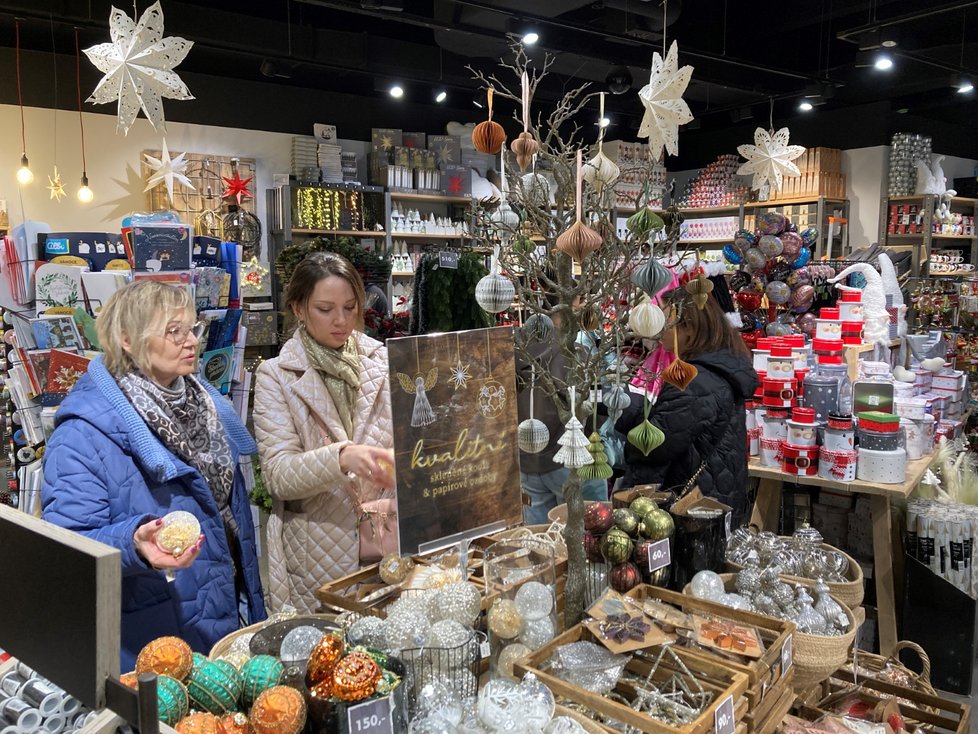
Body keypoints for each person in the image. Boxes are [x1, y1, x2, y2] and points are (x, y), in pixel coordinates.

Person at [41, 280, 266, 670]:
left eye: (193, 329)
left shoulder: (207, 406)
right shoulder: (82, 434)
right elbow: (66, 550)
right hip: (155, 637)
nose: (191, 341)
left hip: (226, 615)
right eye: (173, 331)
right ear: (127, 340)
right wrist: (133, 543)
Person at [254, 252, 395, 613]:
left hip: (386, 543)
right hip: (319, 552)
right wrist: (341, 457)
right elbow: (278, 476)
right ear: (299, 308)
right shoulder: (276, 375)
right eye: (325, 308)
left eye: (350, 307)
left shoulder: (383, 361)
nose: (341, 320)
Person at [616, 288, 759, 525]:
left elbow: (657, 445)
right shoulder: (719, 368)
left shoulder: (695, 380)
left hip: (690, 511)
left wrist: (623, 416)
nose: (660, 330)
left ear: (690, 328)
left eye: (666, 321)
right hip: (713, 497)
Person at [517, 291, 609, 525]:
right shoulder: (574, 351)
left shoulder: (517, 344)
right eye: (581, 300)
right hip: (569, 456)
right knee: (589, 534)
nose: (584, 306)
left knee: (542, 538)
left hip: (528, 458)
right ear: (566, 304)